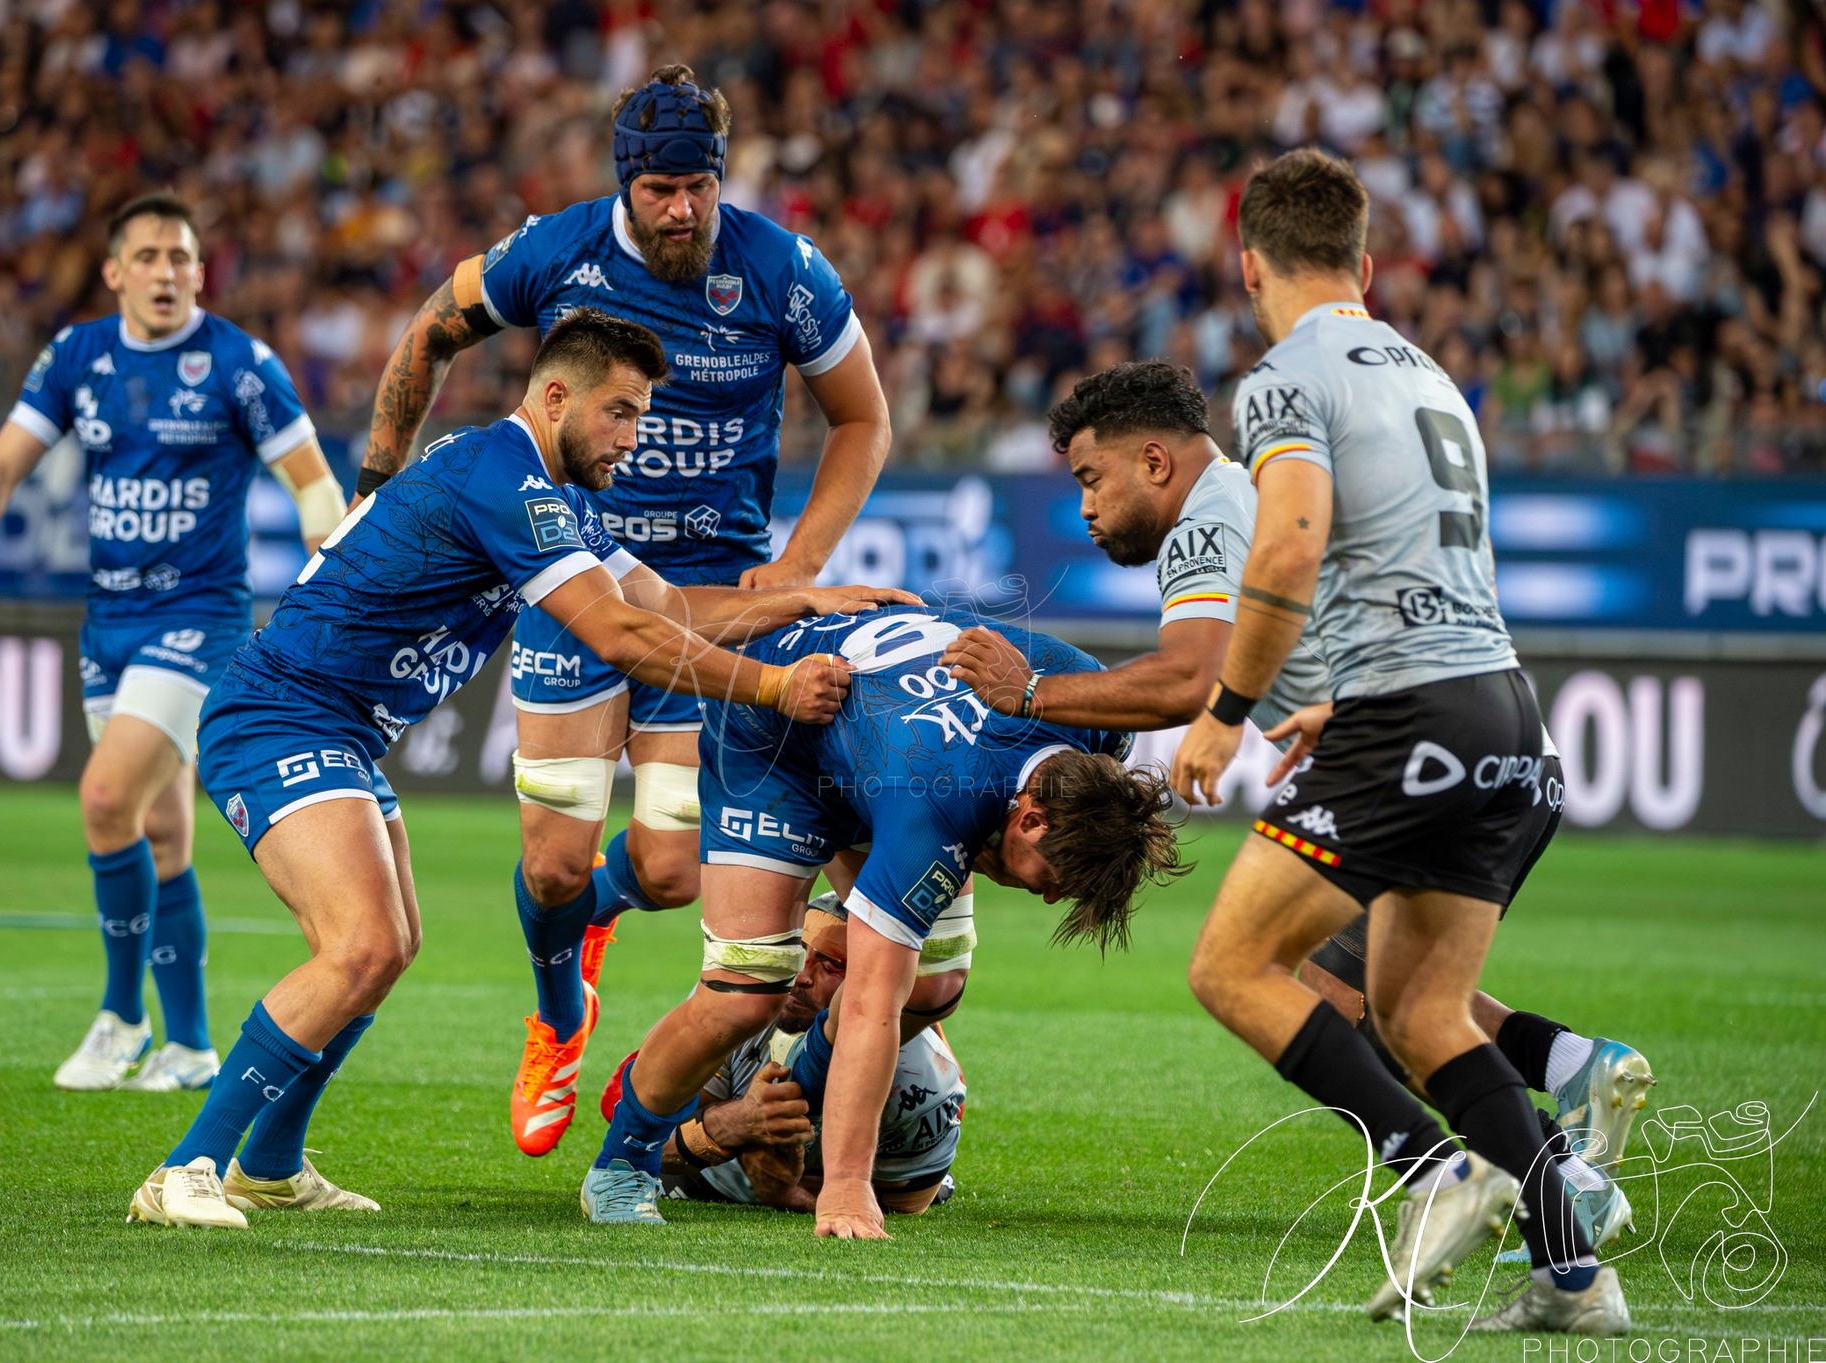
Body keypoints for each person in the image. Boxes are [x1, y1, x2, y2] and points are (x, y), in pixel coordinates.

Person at [124, 308, 908, 1229]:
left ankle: (269, 1162)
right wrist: (776, 687)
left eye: (644, 417)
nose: (633, 438)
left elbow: (659, 604)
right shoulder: (505, 478)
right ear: (556, 395)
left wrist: (798, 597)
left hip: (337, 730)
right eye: (619, 412)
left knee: (387, 950)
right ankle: (184, 1169)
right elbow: (619, 636)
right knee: (362, 944)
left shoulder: (549, 496)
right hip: (279, 717)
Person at [943, 359, 1652, 1308]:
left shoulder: (1206, 520)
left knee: (1263, 973)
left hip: (1418, 759)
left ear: (1154, 459)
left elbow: (1188, 675)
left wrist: (1030, 693)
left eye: (1090, 478)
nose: (1086, 507)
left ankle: (1478, 1179)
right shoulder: (1260, 496)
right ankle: (1564, 1197)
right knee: (1397, 1004)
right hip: (1504, 748)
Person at [357, 64, 891, 1159]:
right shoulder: (553, 252)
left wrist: (793, 563)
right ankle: (557, 1018)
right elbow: (430, 329)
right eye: (660, 189)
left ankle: (603, 912)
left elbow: (863, 419)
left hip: (713, 596)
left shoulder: (780, 270)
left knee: (664, 870)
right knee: (548, 862)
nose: (683, 208)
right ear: (625, 185)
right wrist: (377, 470)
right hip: (573, 579)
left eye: (697, 184)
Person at [1166, 149, 1629, 1334]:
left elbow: (1286, 549)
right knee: (1421, 1010)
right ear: (1364, 265)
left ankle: (1431, 1170)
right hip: (1504, 715)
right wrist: (1348, 697)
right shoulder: (1426, 371)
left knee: (1229, 965)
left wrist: (1226, 715)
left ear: (1248, 264)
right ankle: (1573, 1276)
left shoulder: (1281, 376)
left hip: (1412, 717)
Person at [0, 190, 347, 1094]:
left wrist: (328, 544)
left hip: (201, 618)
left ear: (201, 271)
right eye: (147, 256)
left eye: (181, 257)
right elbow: (2, 463)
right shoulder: (78, 357)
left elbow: (310, 477)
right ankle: (189, 1045)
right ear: (114, 272)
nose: (166, 272)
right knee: (158, 831)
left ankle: (121, 1017)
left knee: (106, 795)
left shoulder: (238, 362)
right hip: (108, 620)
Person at [579, 603, 1187, 1233]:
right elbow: (869, 1003)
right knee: (747, 988)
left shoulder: (1093, 728)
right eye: (1052, 879)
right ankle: (622, 1165)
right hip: (778, 735)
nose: (1049, 897)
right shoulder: (937, 812)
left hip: (882, 748)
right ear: (1031, 819)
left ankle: (785, 1103)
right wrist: (844, 1186)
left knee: (933, 982)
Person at [602, 894, 964, 1216]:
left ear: (874, 980)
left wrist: (785, 1193)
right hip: (709, 1177)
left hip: (850, 1173)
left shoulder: (923, 1081)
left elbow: (902, 1203)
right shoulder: (739, 1004)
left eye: (831, 965)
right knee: (631, 1101)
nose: (799, 976)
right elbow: (645, 1140)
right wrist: (735, 1121)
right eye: (797, 951)